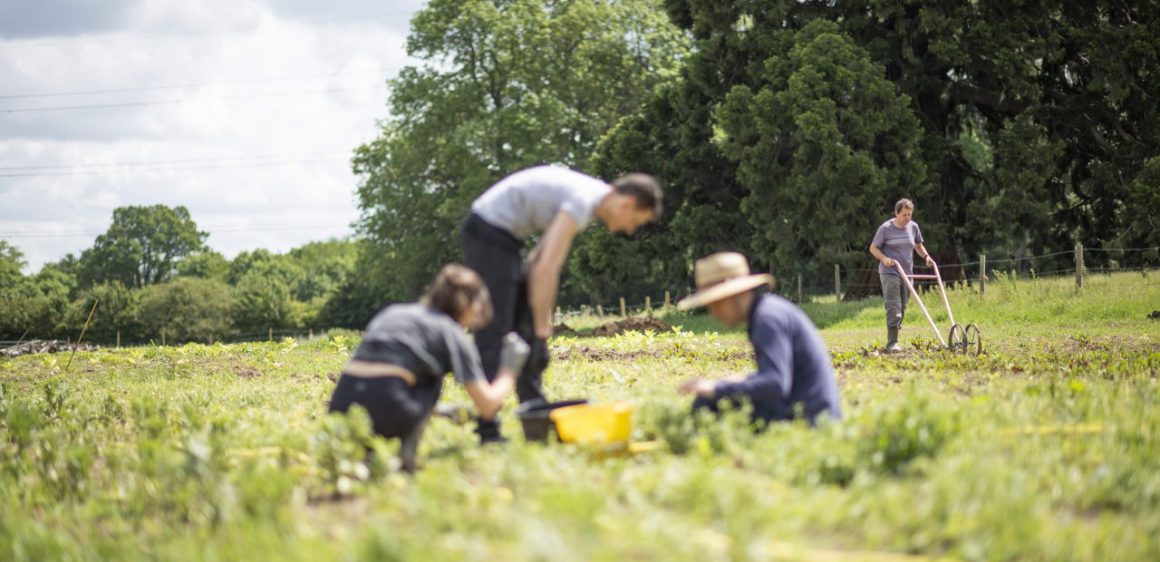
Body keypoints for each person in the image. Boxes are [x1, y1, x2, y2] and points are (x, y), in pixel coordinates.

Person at [461, 165, 663, 443]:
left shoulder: (588, 199)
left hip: (504, 238)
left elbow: (535, 262)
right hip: (487, 232)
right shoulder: (583, 201)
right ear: (626, 202)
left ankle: (536, 414)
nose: (629, 230)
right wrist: (544, 329)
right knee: (495, 329)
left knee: (525, 327)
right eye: (635, 221)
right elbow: (546, 269)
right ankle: (487, 428)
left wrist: (535, 326)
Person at [328, 264, 529, 472]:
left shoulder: (394, 312)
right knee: (432, 375)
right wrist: (510, 368)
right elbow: (487, 405)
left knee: (412, 372)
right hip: (389, 411)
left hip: (340, 411)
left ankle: (365, 453)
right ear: (467, 303)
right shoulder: (451, 332)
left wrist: (439, 410)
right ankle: (406, 458)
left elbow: (379, 376)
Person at [676, 252, 842, 425]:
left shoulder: (767, 320)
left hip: (811, 418)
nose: (714, 314)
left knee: (707, 402)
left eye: (716, 304)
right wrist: (744, 380)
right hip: (809, 407)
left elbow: (775, 384)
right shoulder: (767, 311)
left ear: (734, 294)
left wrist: (717, 388)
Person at [868, 198, 935, 353]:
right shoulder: (885, 228)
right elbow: (873, 248)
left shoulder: (913, 227)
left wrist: (926, 257)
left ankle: (895, 328)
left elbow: (918, 246)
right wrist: (885, 259)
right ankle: (892, 343)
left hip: (907, 272)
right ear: (896, 213)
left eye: (910, 215)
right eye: (904, 215)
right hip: (889, 271)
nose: (907, 218)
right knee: (894, 305)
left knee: (903, 306)